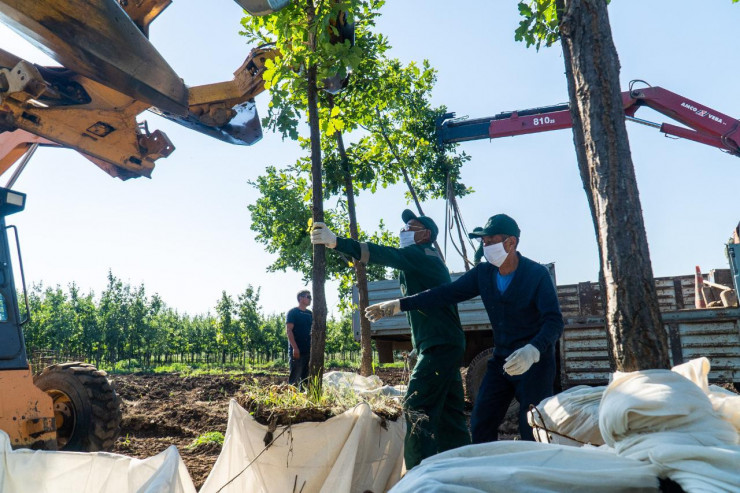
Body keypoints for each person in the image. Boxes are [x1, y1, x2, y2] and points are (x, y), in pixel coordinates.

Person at [366, 214, 564, 444]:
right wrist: (401, 304)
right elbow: (445, 293)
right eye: (483, 242)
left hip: (535, 364)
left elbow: (554, 321)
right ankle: (481, 465)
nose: (485, 247)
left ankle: (535, 465)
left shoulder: (536, 275)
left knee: (533, 428)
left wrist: (533, 349)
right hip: (502, 360)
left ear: (511, 242)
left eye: (491, 241)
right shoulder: (484, 273)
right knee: (480, 423)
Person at [311, 210, 471, 470]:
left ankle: (419, 474)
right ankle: (462, 469)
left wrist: (336, 242)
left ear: (425, 235)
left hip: (439, 346)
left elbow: (384, 254)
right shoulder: (426, 258)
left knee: (417, 407)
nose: (404, 231)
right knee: (451, 414)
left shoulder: (421, 254)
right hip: (444, 343)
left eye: (410, 227)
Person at [286, 290, 312, 389]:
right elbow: (289, 331)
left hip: (308, 350)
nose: (310, 299)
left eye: (310, 297)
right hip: (297, 351)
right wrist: (295, 348)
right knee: (295, 378)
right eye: (308, 297)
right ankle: (292, 397)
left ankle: (304, 397)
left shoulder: (310, 314)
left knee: (306, 379)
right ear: (300, 298)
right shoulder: (293, 312)